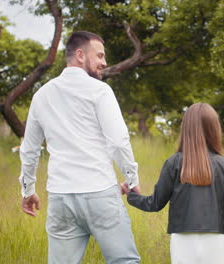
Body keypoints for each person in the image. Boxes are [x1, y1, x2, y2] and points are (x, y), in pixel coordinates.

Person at [19, 31, 141, 263]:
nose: (104, 62)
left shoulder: (41, 95)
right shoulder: (100, 91)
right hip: (99, 193)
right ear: (80, 55)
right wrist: (132, 180)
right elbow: (118, 141)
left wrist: (28, 190)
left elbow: (29, 149)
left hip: (60, 198)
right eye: (100, 56)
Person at [123, 103, 224, 264]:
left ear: (186, 128)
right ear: (214, 128)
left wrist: (131, 196)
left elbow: (155, 203)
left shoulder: (174, 163)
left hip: (182, 238)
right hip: (216, 237)